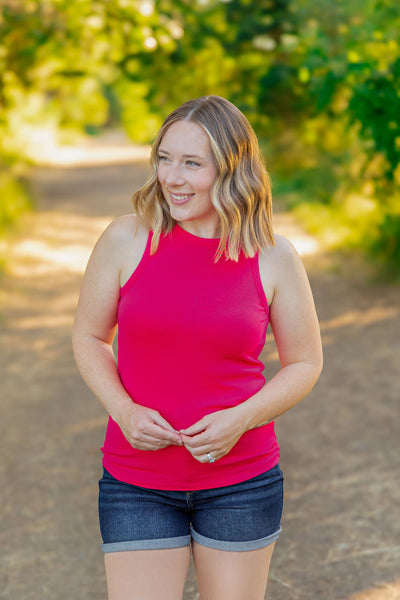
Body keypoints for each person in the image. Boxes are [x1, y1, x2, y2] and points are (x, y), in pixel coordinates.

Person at [72, 95, 323, 600]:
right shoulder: (125, 239)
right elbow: (89, 337)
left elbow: (305, 363)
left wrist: (241, 419)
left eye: (192, 163)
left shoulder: (273, 254)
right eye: (164, 158)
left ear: (232, 168)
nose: (172, 177)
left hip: (241, 482)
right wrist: (123, 410)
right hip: (136, 480)